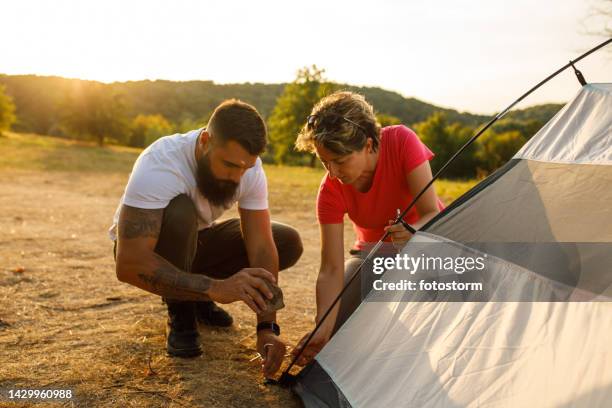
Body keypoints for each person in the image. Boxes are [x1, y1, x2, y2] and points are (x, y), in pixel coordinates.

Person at [110, 99, 303, 378]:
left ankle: (198, 297)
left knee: (285, 240)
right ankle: (182, 313)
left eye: (245, 168)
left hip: (197, 242)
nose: (237, 177)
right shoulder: (161, 163)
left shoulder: (248, 168)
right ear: (204, 141)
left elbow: (261, 246)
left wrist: (267, 328)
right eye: (228, 164)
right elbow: (128, 263)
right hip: (149, 249)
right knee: (181, 212)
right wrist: (215, 288)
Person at [292, 91, 444, 365]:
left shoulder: (401, 141)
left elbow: (431, 212)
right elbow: (331, 268)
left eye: (340, 160)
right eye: (325, 162)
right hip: (372, 256)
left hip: (429, 242)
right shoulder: (330, 191)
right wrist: (322, 327)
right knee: (340, 327)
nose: (333, 171)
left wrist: (413, 232)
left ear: (369, 145)